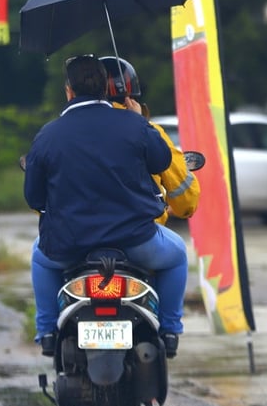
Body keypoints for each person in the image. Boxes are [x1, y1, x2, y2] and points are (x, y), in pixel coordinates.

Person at [24, 54, 189, 358]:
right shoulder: (133, 125)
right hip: (136, 242)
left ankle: (47, 332)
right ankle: (169, 331)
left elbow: (34, 198)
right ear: (107, 89)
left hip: (69, 246)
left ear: (69, 91)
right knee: (177, 255)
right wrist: (139, 120)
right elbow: (162, 160)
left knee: (39, 256)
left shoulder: (48, 135)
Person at [99, 55, 200, 225]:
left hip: (81, 237)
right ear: (130, 99)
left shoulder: (66, 135)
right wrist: (138, 123)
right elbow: (186, 201)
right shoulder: (150, 133)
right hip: (141, 234)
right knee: (177, 250)